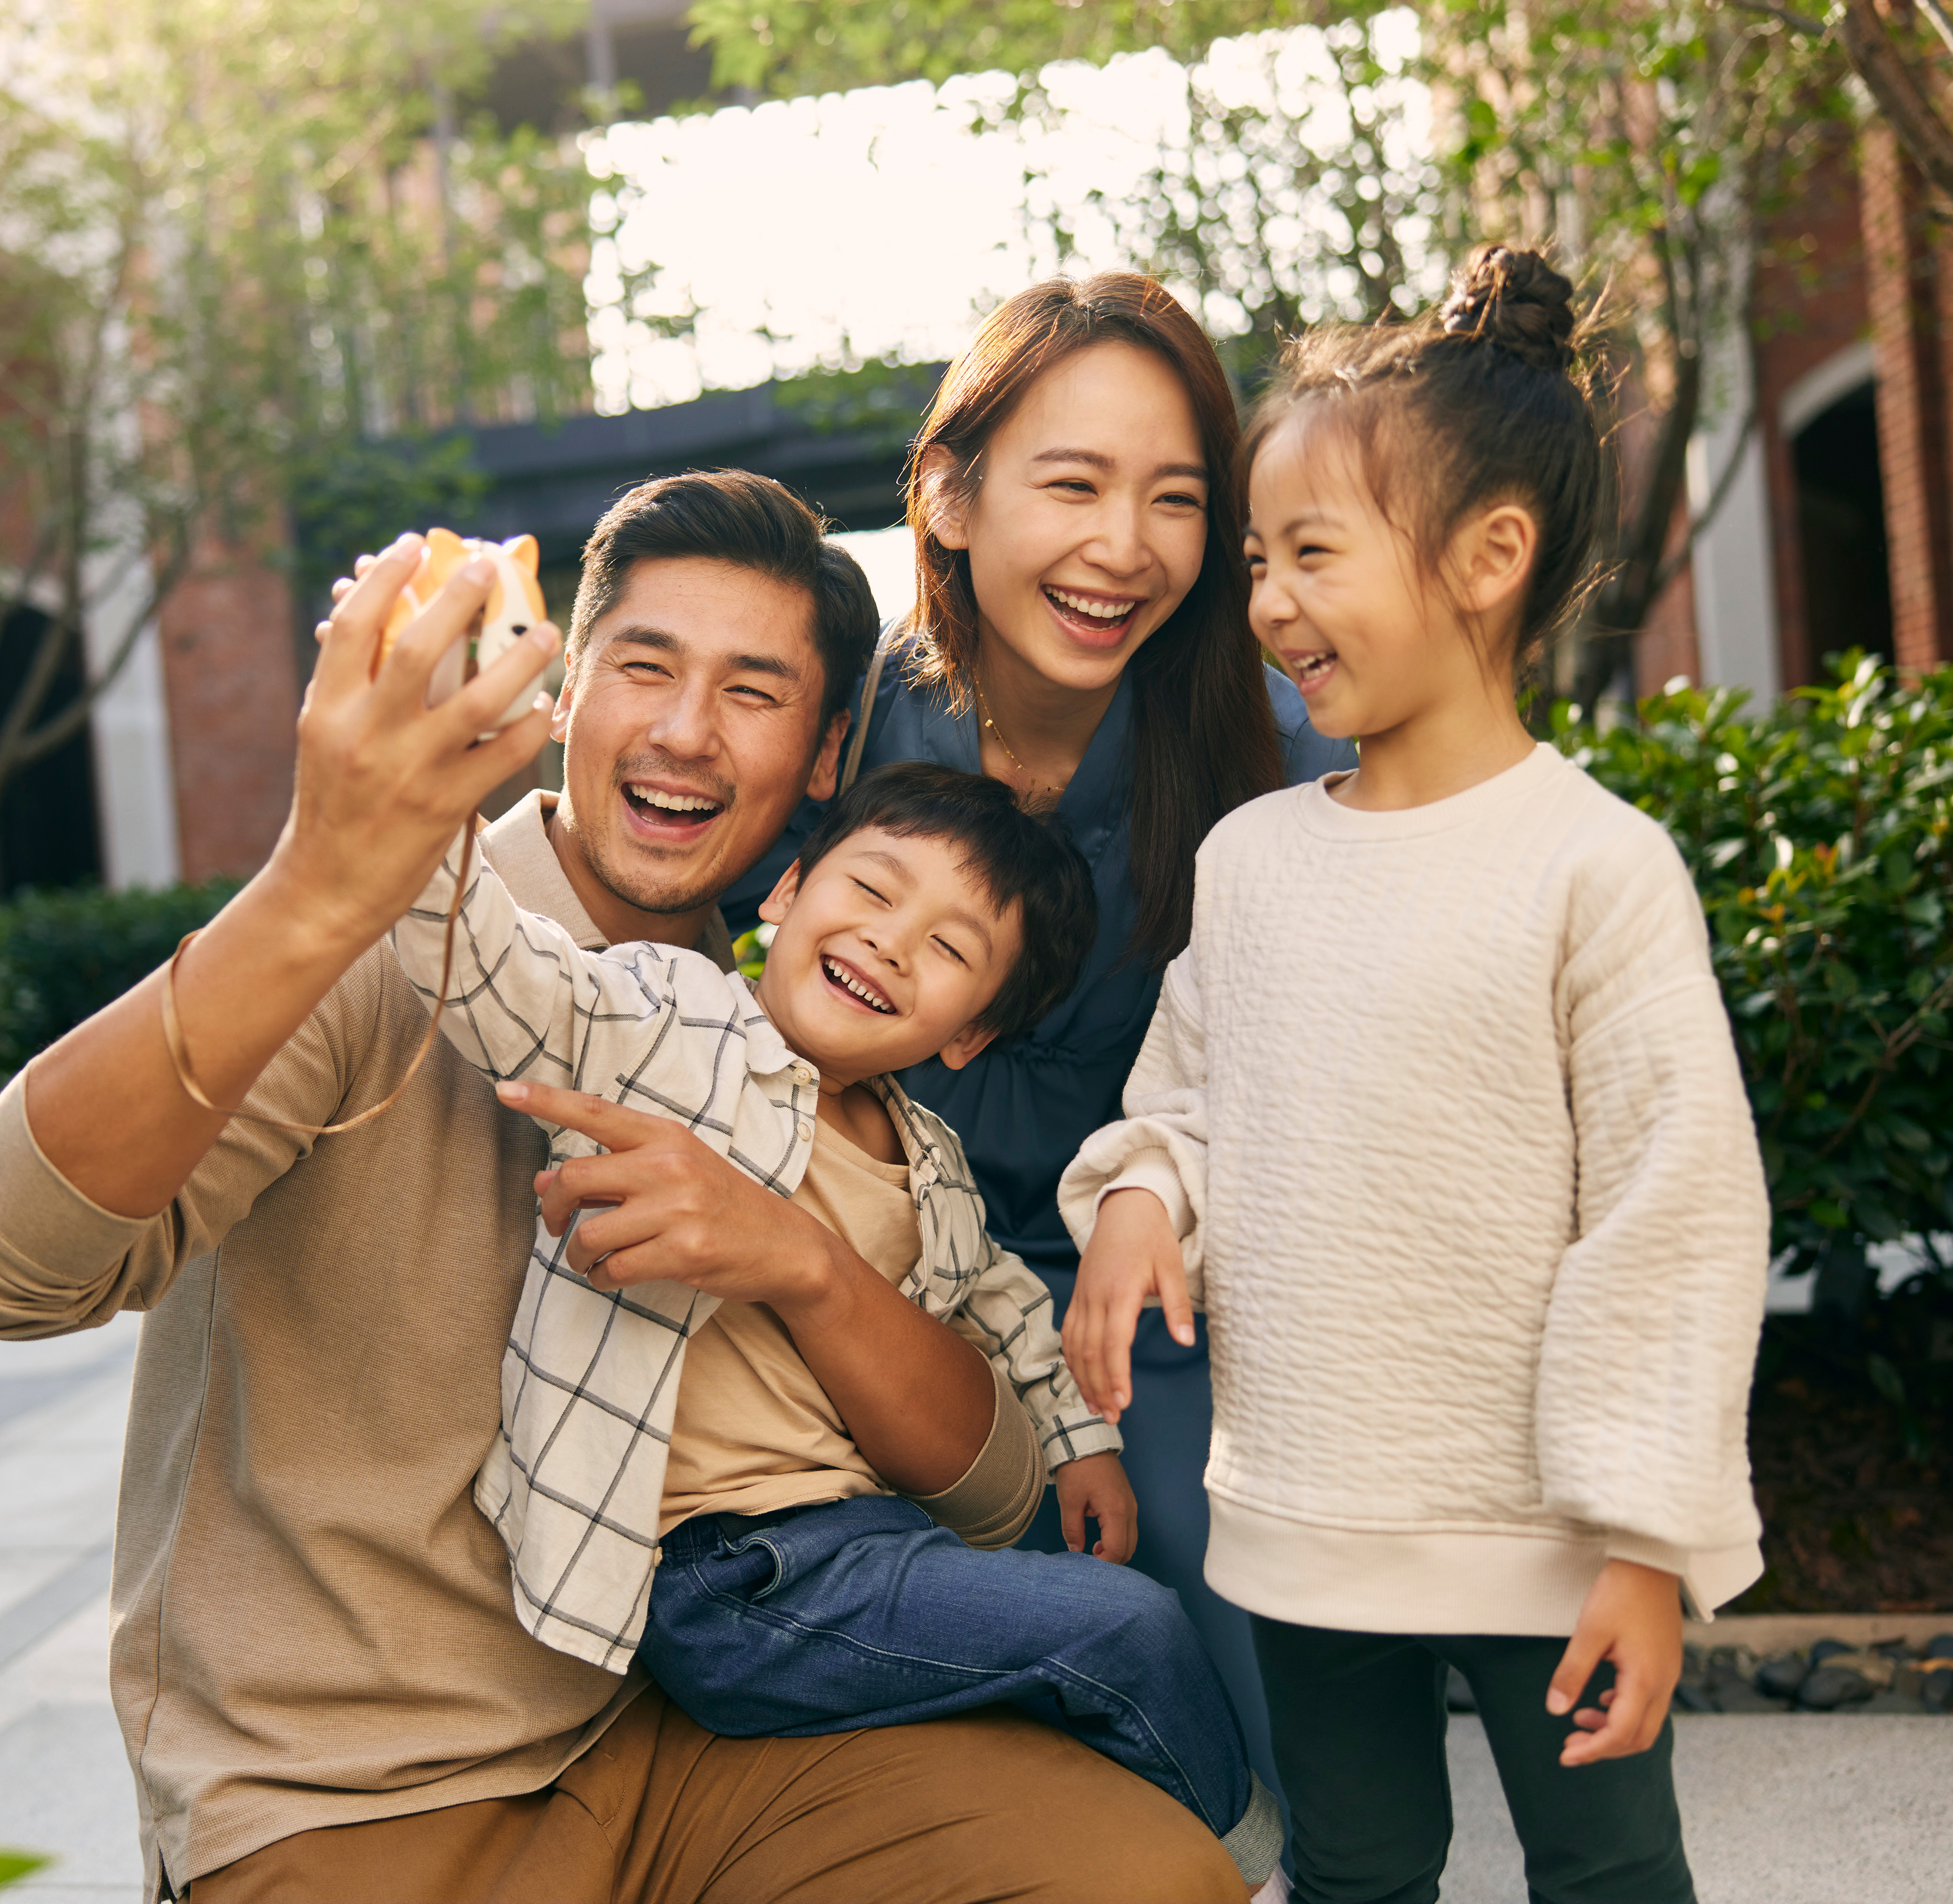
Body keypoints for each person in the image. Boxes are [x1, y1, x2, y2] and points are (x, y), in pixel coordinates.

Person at [0, 468, 1256, 1902]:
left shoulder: (800, 1053)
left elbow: (990, 1499)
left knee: (1144, 1874)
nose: (683, 730)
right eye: (643, 667)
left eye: (751, 690)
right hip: (350, 1795)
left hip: (677, 1743)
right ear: (564, 696)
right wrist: (315, 888)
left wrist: (798, 1259)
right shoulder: (388, 951)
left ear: (820, 762)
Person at [1057, 244, 1769, 1904]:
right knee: (1356, 1873)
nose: (1265, 604)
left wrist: (1647, 1543)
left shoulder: (1594, 866)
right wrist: (1143, 1198)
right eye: (1255, 560)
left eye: (1308, 554)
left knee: (1605, 1871)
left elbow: (1672, 1213)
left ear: (1486, 557)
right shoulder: (1250, 863)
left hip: (1550, 1533)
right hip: (1308, 1507)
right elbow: (1190, 1096)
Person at [387, 760, 1283, 1887]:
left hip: (867, 1547)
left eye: (952, 950)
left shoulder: (935, 1170)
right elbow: (499, 975)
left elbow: (1004, 1304)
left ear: (971, 1036)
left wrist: (1084, 1448)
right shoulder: (669, 1019)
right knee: (1128, 1633)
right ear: (787, 891)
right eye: (871, 889)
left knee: (1079, 1675)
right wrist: (412, 802)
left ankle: (1145, 1861)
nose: (893, 944)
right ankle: (1254, 1873)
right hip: (727, 1579)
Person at [724, 275, 1352, 1796]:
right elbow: (677, 907)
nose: (1120, 547)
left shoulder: (1276, 748)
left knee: (1214, 1565)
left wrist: (1165, 1198)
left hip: (1136, 1281)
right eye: (1070, 483)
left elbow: (1348, 1061)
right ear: (947, 491)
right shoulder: (843, 719)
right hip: (847, 1237)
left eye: (1173, 499)